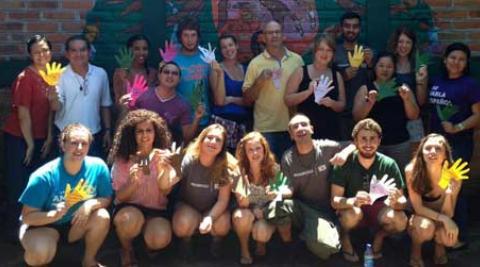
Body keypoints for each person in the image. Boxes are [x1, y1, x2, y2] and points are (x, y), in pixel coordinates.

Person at [18, 123, 112, 267]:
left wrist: (89, 204)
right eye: (74, 143)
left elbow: (106, 198)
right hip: (43, 225)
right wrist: (54, 214)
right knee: (41, 253)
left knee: (102, 216)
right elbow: (27, 217)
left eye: (84, 143)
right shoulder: (44, 176)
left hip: (74, 224)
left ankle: (89, 261)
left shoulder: (98, 167)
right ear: (63, 145)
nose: (79, 148)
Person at [269, 114, 355, 260]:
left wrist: (344, 153)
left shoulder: (327, 147)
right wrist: (278, 192)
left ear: (312, 129)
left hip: (326, 210)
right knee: (276, 206)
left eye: (303, 124)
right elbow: (290, 189)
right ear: (291, 135)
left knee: (327, 250)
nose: (300, 129)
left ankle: (310, 237)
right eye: (295, 127)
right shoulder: (287, 157)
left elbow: (354, 143)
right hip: (302, 208)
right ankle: (288, 246)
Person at [330, 118, 408, 263]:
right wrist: (353, 200)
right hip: (354, 209)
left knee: (401, 220)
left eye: (372, 139)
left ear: (379, 141)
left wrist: (397, 201)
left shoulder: (389, 164)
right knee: (351, 215)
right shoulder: (344, 163)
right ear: (355, 141)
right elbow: (334, 201)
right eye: (363, 139)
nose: (368, 144)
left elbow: (403, 202)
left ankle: (380, 236)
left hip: (379, 209)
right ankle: (344, 236)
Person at [3, 34, 56, 241]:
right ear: (30, 55)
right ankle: (12, 231)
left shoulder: (51, 75)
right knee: (18, 183)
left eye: (44, 50)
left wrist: (50, 136)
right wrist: (30, 143)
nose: (41, 55)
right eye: (36, 52)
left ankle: (33, 226)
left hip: (42, 137)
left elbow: (51, 110)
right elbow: (23, 113)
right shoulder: (25, 78)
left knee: (37, 184)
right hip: (20, 138)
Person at [109, 110, 179, 267]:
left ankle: (145, 248)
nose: (144, 135)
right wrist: (133, 183)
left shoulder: (165, 156)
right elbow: (119, 197)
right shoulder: (123, 159)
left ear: (156, 133)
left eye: (149, 130)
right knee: (128, 221)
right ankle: (126, 249)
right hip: (130, 207)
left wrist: (164, 169)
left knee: (159, 237)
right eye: (139, 131)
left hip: (157, 210)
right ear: (131, 134)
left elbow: (166, 191)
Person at [428, 42, 480, 249]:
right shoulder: (437, 80)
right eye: (452, 58)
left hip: (459, 144)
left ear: (466, 63)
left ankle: (460, 236)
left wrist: (457, 127)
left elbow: (478, 115)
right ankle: (441, 235)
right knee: (438, 188)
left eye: (461, 59)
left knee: (454, 188)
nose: (456, 62)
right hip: (435, 145)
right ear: (445, 59)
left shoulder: (470, 84)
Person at [172, 124, 237, 259]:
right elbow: (171, 182)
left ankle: (216, 243)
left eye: (218, 140)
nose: (213, 142)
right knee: (181, 225)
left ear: (222, 146)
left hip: (212, 209)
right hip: (189, 207)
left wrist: (209, 218)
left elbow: (223, 200)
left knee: (223, 224)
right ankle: (187, 243)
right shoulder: (189, 159)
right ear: (201, 140)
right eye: (209, 137)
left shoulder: (225, 165)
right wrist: (173, 167)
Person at [243, 20, 304, 160]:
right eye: (270, 33)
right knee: (267, 173)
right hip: (265, 129)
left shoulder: (297, 60)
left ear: (283, 36)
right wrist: (259, 81)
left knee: (290, 173)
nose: (274, 35)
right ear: (263, 38)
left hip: (292, 127)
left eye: (277, 32)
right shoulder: (255, 63)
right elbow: (247, 99)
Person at [353, 52, 419, 169]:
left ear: (394, 69)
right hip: (372, 145)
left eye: (389, 66)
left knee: (401, 180)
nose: (385, 69)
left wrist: (407, 99)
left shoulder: (402, 88)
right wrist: (370, 103)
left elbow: (414, 116)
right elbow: (357, 117)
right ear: (375, 67)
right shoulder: (366, 88)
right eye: (381, 66)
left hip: (399, 143)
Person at [232, 132, 290, 264]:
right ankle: (244, 250)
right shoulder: (238, 170)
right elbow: (242, 202)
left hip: (266, 212)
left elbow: (284, 191)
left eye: (258, 148)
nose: (255, 153)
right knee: (241, 217)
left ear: (264, 150)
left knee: (262, 232)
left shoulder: (273, 168)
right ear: (245, 152)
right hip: (246, 211)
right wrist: (252, 206)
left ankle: (261, 243)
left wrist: (275, 193)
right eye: (250, 150)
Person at [51, 35, 112, 158]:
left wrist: (108, 130)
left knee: (92, 175)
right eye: (74, 50)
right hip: (67, 136)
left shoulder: (100, 74)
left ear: (89, 52)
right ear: (67, 54)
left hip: (93, 134)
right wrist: (53, 97)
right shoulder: (59, 75)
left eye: (82, 50)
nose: (78, 54)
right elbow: (56, 107)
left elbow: (105, 105)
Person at [406, 134, 460, 267]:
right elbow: (418, 208)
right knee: (425, 227)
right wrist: (445, 220)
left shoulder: (454, 175)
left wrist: (448, 194)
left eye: (438, 149)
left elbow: (449, 213)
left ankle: (439, 244)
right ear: (421, 152)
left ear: (445, 154)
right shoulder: (411, 171)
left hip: (442, 216)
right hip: (420, 216)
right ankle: (416, 251)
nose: (432, 152)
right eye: (428, 148)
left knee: (450, 238)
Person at [120, 61, 203, 145]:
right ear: (159, 76)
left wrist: (197, 118)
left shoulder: (183, 104)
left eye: (174, 73)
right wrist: (124, 106)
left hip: (164, 148)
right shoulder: (143, 95)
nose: (170, 76)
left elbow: (187, 137)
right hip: (139, 144)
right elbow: (127, 124)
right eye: (166, 72)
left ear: (179, 79)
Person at [285, 34, 346, 140]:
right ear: (314, 51)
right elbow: (287, 100)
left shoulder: (337, 75)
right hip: (305, 132)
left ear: (333, 54)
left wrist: (331, 103)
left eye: (329, 50)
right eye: (321, 49)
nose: (324, 53)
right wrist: (308, 92)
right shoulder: (300, 72)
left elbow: (342, 105)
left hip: (331, 132)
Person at [334, 11, 374, 141]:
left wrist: (370, 65)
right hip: (339, 117)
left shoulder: (367, 51)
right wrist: (344, 76)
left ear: (360, 29)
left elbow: (374, 82)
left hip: (363, 114)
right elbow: (326, 80)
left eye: (355, 26)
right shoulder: (334, 52)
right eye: (347, 26)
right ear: (341, 28)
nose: (351, 30)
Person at [387, 26, 428, 151]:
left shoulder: (419, 66)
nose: (404, 45)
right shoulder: (387, 63)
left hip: (412, 120)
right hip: (391, 119)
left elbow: (421, 101)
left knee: (414, 161)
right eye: (400, 41)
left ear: (413, 44)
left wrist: (420, 82)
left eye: (408, 42)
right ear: (395, 43)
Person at [210, 34, 251, 151]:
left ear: (237, 46)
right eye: (224, 47)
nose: (228, 49)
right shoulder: (216, 69)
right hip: (223, 123)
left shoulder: (247, 69)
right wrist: (221, 74)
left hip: (243, 125)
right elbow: (220, 100)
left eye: (230, 45)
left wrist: (232, 99)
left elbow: (251, 101)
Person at [172, 17, 212, 129]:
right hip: (179, 120)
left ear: (198, 37)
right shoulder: (173, 59)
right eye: (186, 35)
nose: (190, 40)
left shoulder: (206, 57)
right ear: (180, 37)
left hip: (203, 119)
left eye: (193, 35)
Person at [113, 34, 157, 119]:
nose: (141, 52)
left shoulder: (153, 73)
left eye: (145, 49)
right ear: (129, 50)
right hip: (126, 119)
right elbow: (118, 102)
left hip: (147, 120)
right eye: (136, 49)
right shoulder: (120, 72)